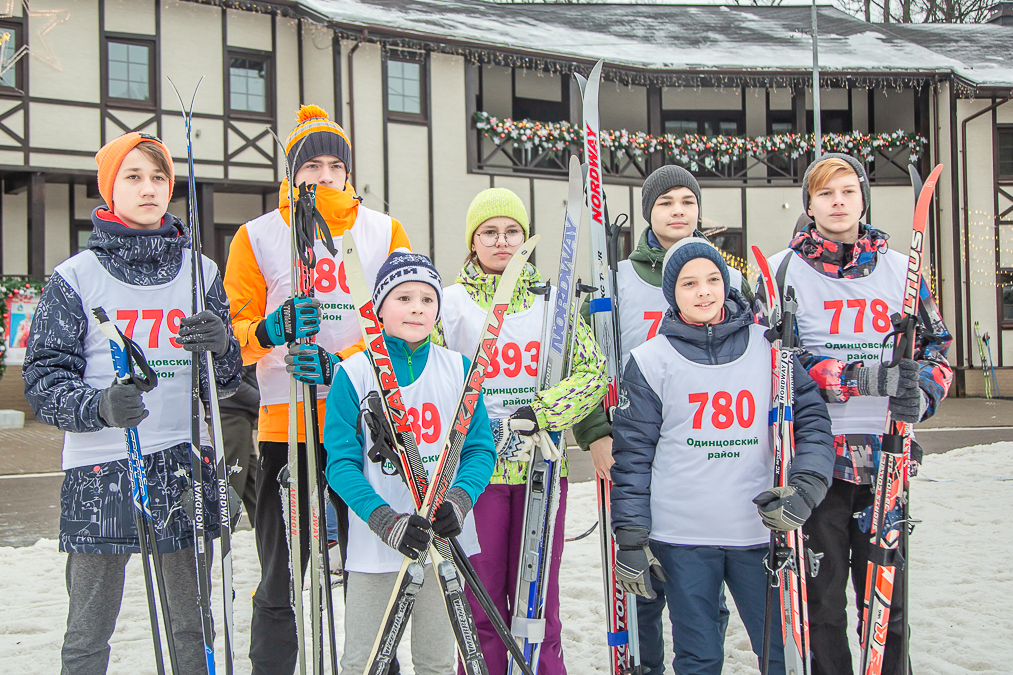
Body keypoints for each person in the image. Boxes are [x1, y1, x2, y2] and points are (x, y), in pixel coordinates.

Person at [23, 131, 241, 674]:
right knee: (90, 627)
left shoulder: (202, 272)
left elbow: (229, 380)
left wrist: (222, 346)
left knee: (192, 624)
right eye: (134, 177)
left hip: (183, 463)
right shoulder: (75, 276)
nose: (150, 189)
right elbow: (43, 379)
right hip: (101, 469)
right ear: (109, 187)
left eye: (159, 178)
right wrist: (96, 405)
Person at [223, 104, 412, 674]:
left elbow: (406, 323)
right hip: (286, 425)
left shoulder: (382, 230)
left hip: (361, 427)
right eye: (311, 166)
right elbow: (232, 333)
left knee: (368, 563)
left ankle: (375, 664)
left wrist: (345, 367)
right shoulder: (258, 235)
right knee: (281, 570)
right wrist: (268, 332)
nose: (324, 176)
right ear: (291, 173)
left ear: (348, 172)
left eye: (335, 164)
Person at [760, 154, 952, 675]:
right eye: (825, 193)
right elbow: (771, 357)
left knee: (886, 601)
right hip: (817, 460)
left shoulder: (900, 270)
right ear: (809, 204)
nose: (838, 201)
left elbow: (938, 347)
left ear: (864, 197)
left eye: (848, 190)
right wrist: (849, 377)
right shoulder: (782, 271)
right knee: (820, 603)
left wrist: (925, 393)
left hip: (886, 459)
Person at [610, 238, 836, 675]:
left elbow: (811, 421)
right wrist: (631, 536)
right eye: (689, 283)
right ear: (672, 293)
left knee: (779, 651)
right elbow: (632, 459)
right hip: (682, 538)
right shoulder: (649, 360)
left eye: (713, 279)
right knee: (698, 656)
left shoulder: (770, 349)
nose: (704, 291)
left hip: (760, 531)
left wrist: (806, 488)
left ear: (727, 284)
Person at [572, 165, 748, 672]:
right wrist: (594, 434)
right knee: (643, 578)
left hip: (707, 446)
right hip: (638, 446)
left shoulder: (727, 278)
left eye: (687, 201)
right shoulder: (618, 277)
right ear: (649, 210)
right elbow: (588, 362)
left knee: (704, 573)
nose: (678, 210)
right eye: (665, 201)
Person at [435, 187, 607, 674]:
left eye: (512, 231)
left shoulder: (551, 302)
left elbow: (592, 373)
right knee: (484, 599)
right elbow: (430, 378)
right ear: (473, 242)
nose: (502, 241)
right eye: (489, 232)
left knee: (538, 601)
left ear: (525, 237)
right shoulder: (448, 304)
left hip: (540, 468)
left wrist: (543, 411)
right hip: (477, 474)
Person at [323, 251, 497, 675]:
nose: (417, 307)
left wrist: (459, 500)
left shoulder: (459, 369)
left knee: (436, 662)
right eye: (403, 298)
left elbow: (479, 450)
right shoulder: (355, 373)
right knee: (363, 662)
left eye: (427, 298)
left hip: (441, 542)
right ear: (378, 308)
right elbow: (340, 464)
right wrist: (384, 520)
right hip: (377, 548)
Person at [219, 363, 260, 523]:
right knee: (232, 477)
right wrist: (262, 401)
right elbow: (229, 380)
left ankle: (265, 527)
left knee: (251, 476)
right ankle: (223, 529)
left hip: (239, 415)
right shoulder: (244, 345)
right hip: (232, 415)